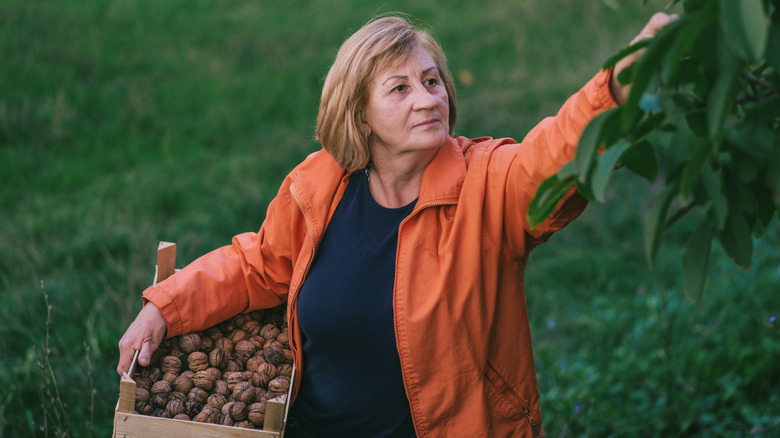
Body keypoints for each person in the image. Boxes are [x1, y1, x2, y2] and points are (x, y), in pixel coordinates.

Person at [118, 12, 676, 437]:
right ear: (360, 115)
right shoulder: (322, 185)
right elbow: (259, 264)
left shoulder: (484, 184)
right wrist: (164, 306)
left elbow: (549, 160)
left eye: (432, 81)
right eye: (401, 88)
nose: (428, 99)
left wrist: (617, 89)